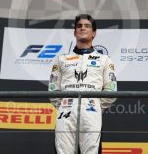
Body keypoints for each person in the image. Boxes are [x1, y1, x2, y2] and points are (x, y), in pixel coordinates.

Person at [48, 14, 117, 154]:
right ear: (74, 32)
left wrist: (95, 105)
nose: (82, 28)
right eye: (79, 26)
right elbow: (53, 89)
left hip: (92, 112)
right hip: (65, 111)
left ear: (94, 33)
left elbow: (111, 90)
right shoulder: (61, 59)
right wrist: (65, 104)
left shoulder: (104, 60)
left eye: (87, 26)